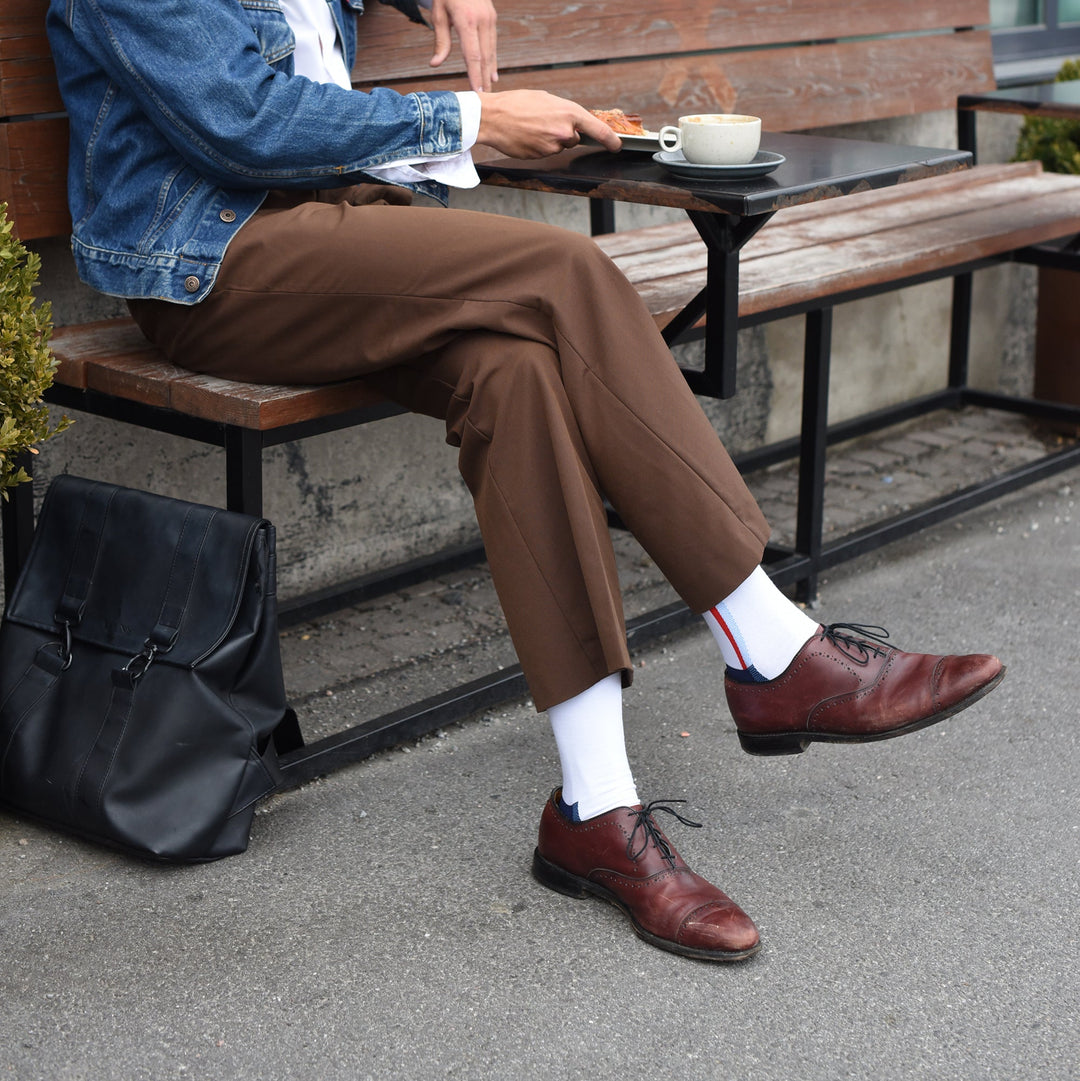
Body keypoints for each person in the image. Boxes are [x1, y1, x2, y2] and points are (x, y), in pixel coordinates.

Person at [46, 0, 1005, 962]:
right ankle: (769, 644)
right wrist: (467, 120)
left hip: (343, 225)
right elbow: (240, 118)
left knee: (517, 377)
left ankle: (595, 807)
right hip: (216, 258)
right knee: (564, 271)